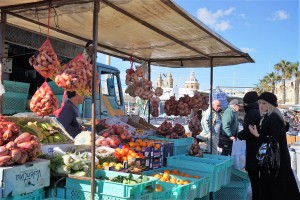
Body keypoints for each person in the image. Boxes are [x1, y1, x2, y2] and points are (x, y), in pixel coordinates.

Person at [248, 92, 300, 200]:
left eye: (264, 103)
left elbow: (273, 139)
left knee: (276, 187)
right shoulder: (272, 116)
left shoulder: (273, 118)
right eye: (260, 103)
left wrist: (257, 135)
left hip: (275, 160)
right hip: (277, 159)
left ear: (270, 104)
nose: (261, 106)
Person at [237, 91, 261, 200]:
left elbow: (249, 132)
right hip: (260, 151)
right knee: (259, 178)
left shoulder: (251, 113)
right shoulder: (259, 111)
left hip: (254, 150)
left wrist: (240, 134)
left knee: (254, 178)